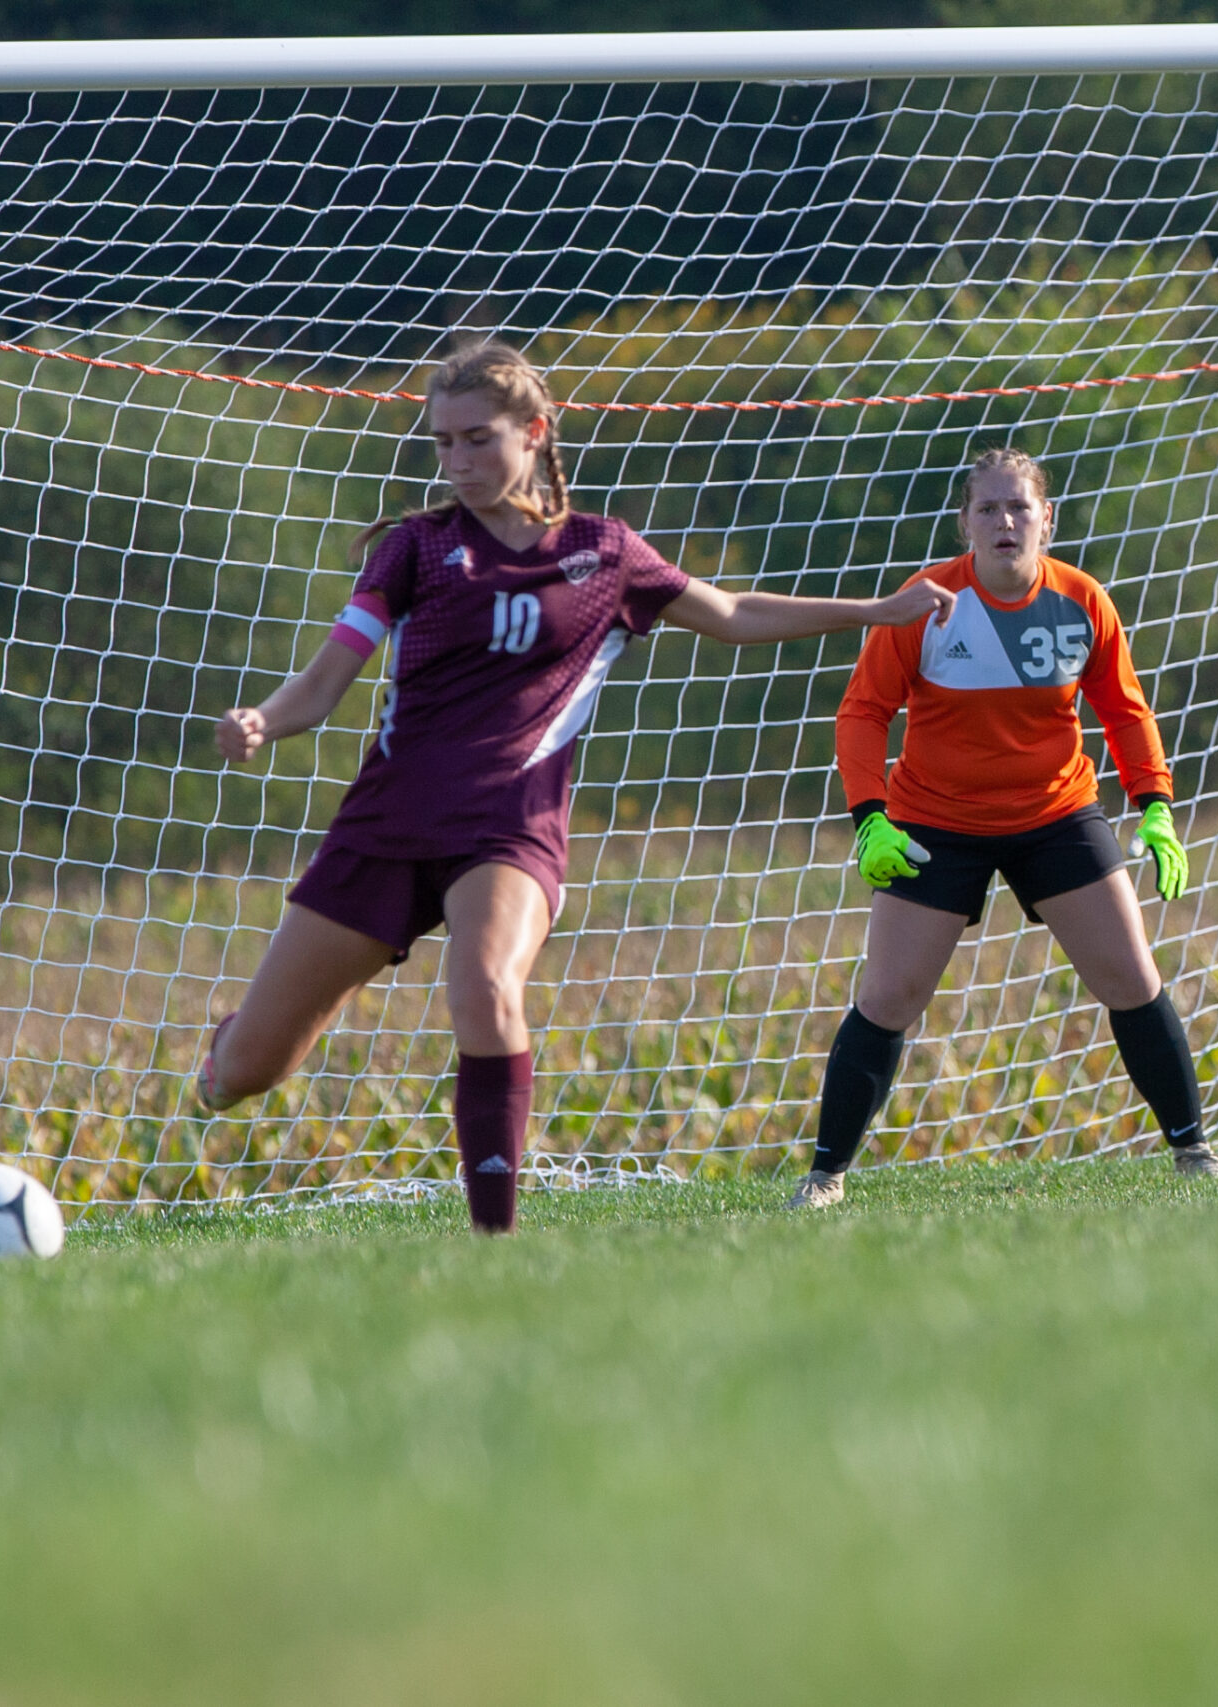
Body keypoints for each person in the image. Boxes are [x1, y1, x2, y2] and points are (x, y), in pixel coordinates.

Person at [202, 341, 952, 1233]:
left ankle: (495, 1238)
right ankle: (229, 1040)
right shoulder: (413, 550)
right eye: (442, 444)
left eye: (478, 438)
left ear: (535, 432)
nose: (459, 461)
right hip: (384, 829)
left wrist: (873, 611)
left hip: (510, 829)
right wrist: (264, 719)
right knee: (242, 1075)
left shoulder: (604, 554)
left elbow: (731, 615)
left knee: (483, 984)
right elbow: (326, 682)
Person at [785, 446, 1218, 1210]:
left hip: (1056, 814)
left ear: (1046, 520)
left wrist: (1154, 804)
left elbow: (1124, 710)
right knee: (888, 995)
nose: (1005, 521)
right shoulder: (924, 602)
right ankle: (824, 1179)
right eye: (988, 508)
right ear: (965, 523)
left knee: (1131, 976)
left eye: (1019, 507)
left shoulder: (1084, 600)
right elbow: (862, 712)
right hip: (935, 820)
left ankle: (1196, 1154)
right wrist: (870, 819)